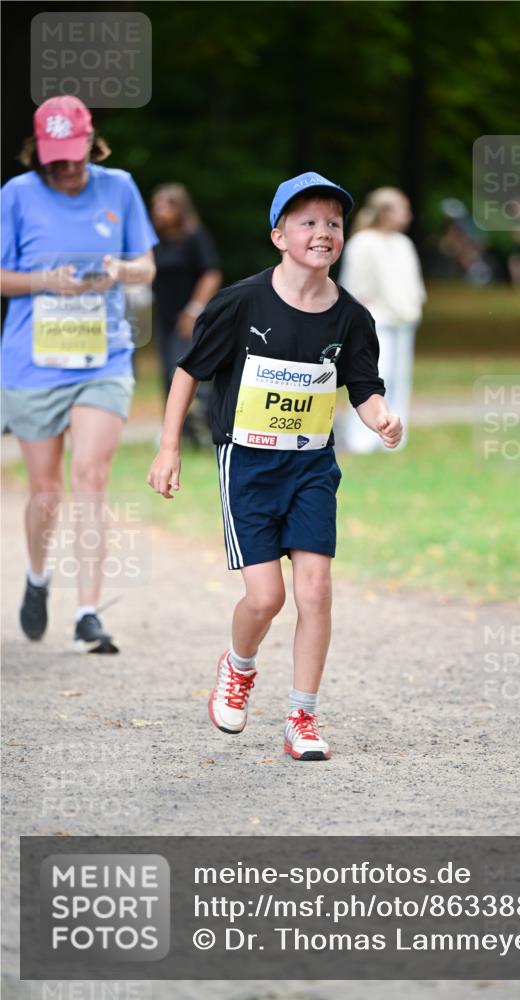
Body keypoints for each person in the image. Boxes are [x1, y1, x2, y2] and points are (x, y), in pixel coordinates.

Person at [147, 171, 402, 760]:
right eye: (308, 222)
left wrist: (382, 417)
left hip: (311, 466)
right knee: (266, 599)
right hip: (248, 465)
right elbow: (189, 371)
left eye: (333, 223)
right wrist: (167, 448)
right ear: (278, 235)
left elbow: (363, 385)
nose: (323, 233)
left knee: (316, 590)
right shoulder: (240, 302)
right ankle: (237, 668)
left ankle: (302, 718)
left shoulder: (352, 317)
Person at [1, 95, 157, 653]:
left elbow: (146, 264)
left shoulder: (119, 187)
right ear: (38, 153)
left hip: (104, 358)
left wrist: (119, 268)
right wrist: (49, 280)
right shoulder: (16, 195)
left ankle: (89, 610)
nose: (66, 167)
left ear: (93, 145)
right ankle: (39, 576)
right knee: (45, 490)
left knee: (91, 476)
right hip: (32, 362)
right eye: (55, 158)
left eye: (75, 155)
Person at [338, 187, 426, 452]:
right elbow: (355, 287)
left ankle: (395, 437)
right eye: (402, 209)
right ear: (384, 211)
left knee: (400, 379)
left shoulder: (403, 243)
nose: (407, 216)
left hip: (404, 320)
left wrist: (413, 308)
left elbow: (413, 285)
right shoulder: (363, 242)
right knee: (375, 378)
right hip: (377, 322)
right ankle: (361, 438)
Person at [150, 184, 222, 443]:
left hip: (190, 318)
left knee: (184, 371)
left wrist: (194, 310)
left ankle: (203, 430)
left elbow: (211, 273)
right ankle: (177, 433)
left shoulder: (194, 237)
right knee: (166, 375)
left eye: (167, 204)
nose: (160, 210)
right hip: (164, 318)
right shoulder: (155, 241)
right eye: (157, 204)